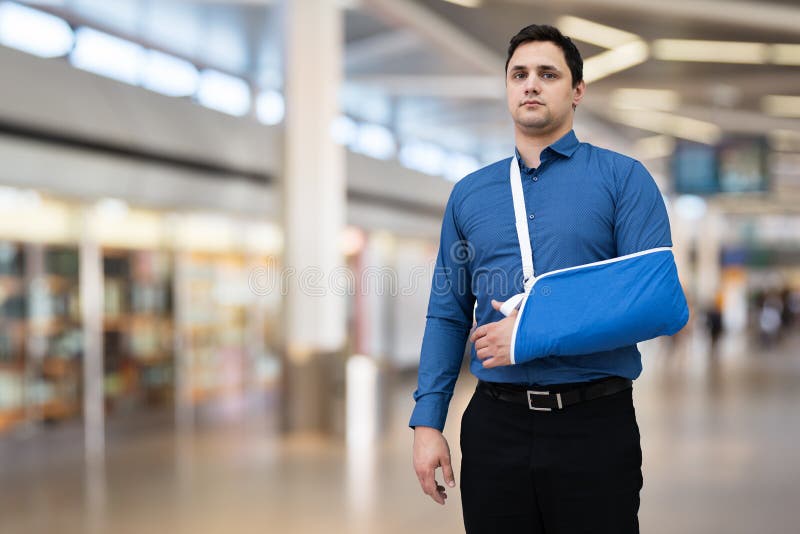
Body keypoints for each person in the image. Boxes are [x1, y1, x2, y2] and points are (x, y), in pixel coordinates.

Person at [411, 24, 676, 533]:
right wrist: (428, 422)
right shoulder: (470, 194)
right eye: (519, 74)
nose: (531, 84)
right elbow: (447, 313)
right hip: (495, 426)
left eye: (547, 74)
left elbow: (656, 301)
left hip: (594, 425)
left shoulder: (623, 180)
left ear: (577, 91)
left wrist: (535, 330)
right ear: (507, 87)